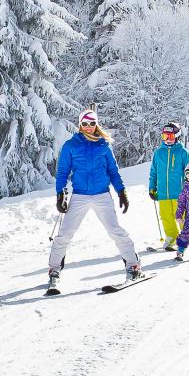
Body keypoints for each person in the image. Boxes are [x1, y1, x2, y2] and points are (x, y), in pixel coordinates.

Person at [49, 110, 142, 292]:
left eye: (92, 123)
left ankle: (133, 265)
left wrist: (121, 192)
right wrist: (60, 194)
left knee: (115, 231)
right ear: (80, 125)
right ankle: (54, 271)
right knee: (65, 234)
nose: (89, 127)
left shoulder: (104, 146)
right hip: (80, 195)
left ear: (96, 125)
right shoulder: (71, 146)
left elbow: (113, 172)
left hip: (102, 195)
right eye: (85, 124)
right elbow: (62, 172)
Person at [146, 122, 189, 251]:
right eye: (165, 137)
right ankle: (171, 236)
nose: (167, 140)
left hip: (179, 192)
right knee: (166, 216)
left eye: (170, 137)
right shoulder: (158, 153)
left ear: (177, 136)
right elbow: (153, 172)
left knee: (182, 215)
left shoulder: (183, 152)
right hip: (162, 193)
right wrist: (152, 187)